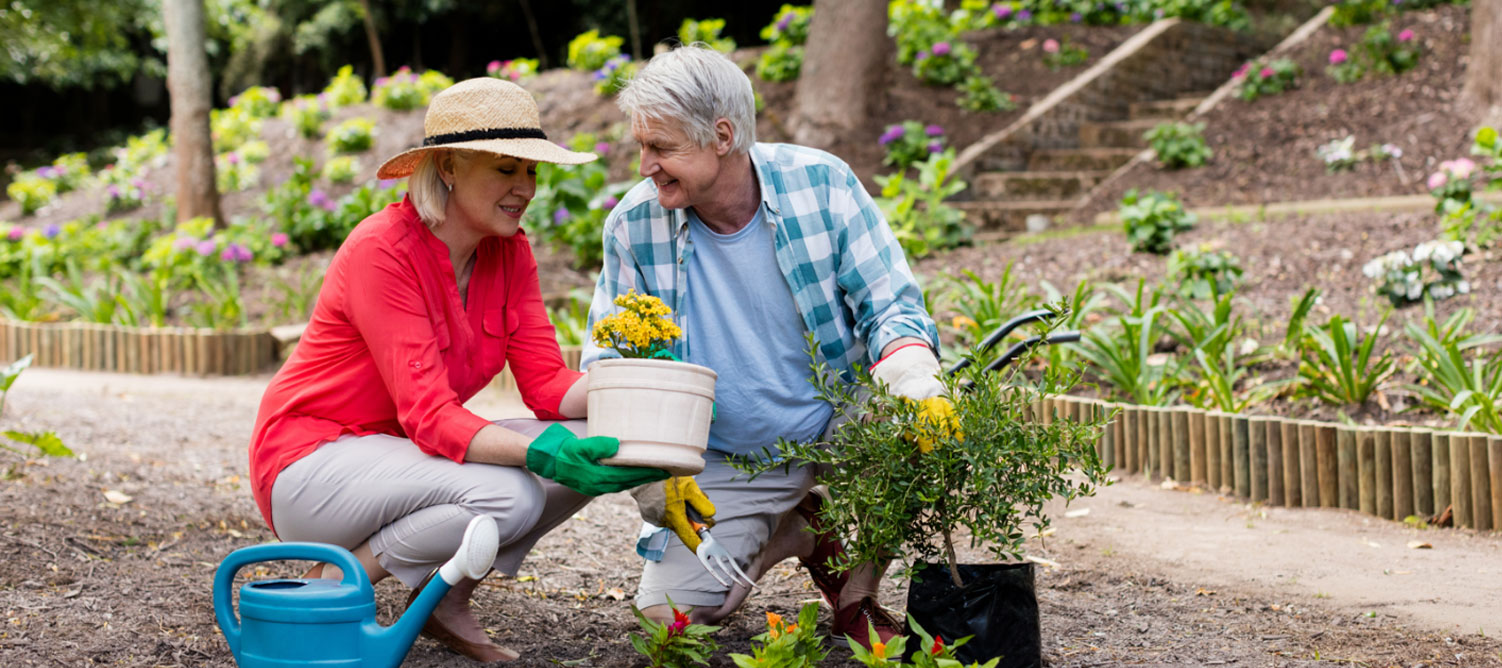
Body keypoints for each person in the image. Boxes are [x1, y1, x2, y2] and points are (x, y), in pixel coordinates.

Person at [249, 78, 668, 663]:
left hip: (403, 463)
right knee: (510, 494)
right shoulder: (382, 250)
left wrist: (642, 390)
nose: (525, 188)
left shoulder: (510, 251)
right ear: (447, 166)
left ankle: (442, 600)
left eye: (531, 172)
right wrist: (539, 454)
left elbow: (548, 385)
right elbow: (428, 415)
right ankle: (334, 586)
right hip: (311, 465)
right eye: (506, 169)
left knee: (586, 440)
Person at [583, 45, 946, 649]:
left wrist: (917, 382)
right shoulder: (633, 225)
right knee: (673, 620)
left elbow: (891, 307)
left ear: (722, 136)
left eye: (661, 147)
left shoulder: (822, 185)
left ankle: (856, 594)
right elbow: (611, 365)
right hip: (728, 452)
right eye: (641, 146)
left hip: (840, 423)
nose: (645, 165)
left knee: (917, 422)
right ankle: (801, 529)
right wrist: (649, 471)